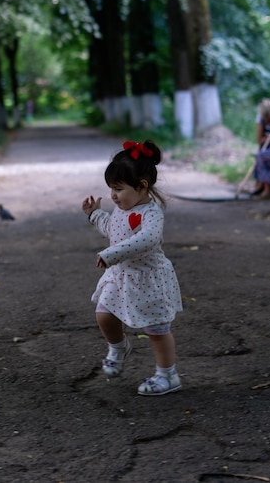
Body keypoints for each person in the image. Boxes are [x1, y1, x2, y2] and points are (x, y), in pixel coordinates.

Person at [82, 140, 183, 396]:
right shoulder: (122, 208)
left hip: (149, 280)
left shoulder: (151, 214)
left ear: (142, 187)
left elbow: (146, 240)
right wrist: (96, 215)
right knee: (104, 314)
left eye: (118, 188)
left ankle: (167, 376)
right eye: (111, 189)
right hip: (120, 276)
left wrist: (111, 254)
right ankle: (118, 347)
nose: (113, 195)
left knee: (157, 331)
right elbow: (114, 230)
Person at [251, 98, 270, 196]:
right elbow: (259, 139)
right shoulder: (260, 118)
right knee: (263, 153)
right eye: (267, 119)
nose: (269, 121)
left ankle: (267, 188)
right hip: (266, 143)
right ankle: (260, 184)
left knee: (268, 155)